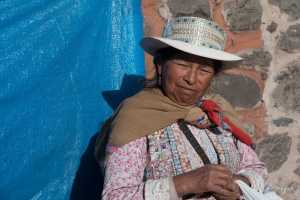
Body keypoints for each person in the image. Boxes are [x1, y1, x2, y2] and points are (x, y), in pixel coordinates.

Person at [95, 16, 269, 200]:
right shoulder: (135, 119)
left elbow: (257, 169)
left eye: (204, 70)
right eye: (183, 65)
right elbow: (115, 196)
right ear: (161, 66)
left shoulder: (216, 114)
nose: (191, 79)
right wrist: (184, 184)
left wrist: (238, 183)